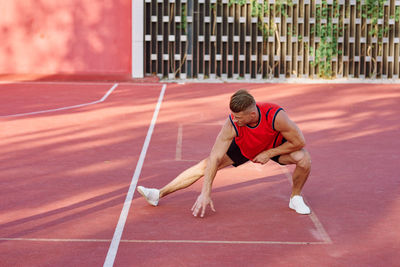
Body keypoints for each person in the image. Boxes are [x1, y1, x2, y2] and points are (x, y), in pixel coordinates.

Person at [137, 89, 311, 217]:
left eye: (238, 117)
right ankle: (157, 194)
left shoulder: (275, 116)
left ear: (252, 114)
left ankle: (295, 198)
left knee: (304, 158)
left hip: (272, 147)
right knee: (204, 166)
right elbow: (215, 156)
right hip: (245, 148)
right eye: (233, 116)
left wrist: (270, 152)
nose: (233, 119)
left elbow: (300, 141)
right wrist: (206, 192)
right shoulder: (232, 123)